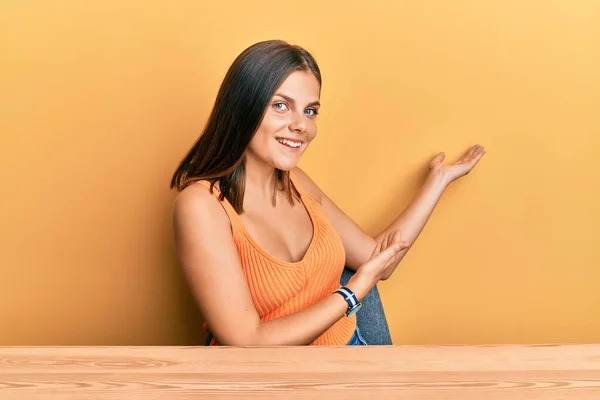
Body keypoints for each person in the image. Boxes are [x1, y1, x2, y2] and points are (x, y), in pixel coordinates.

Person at [170, 40, 486, 346]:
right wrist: (353, 291)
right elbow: (245, 338)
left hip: (348, 354)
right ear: (243, 108)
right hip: (264, 380)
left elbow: (380, 262)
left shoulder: (297, 182)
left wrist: (437, 182)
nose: (301, 126)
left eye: (310, 111)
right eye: (281, 106)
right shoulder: (201, 206)